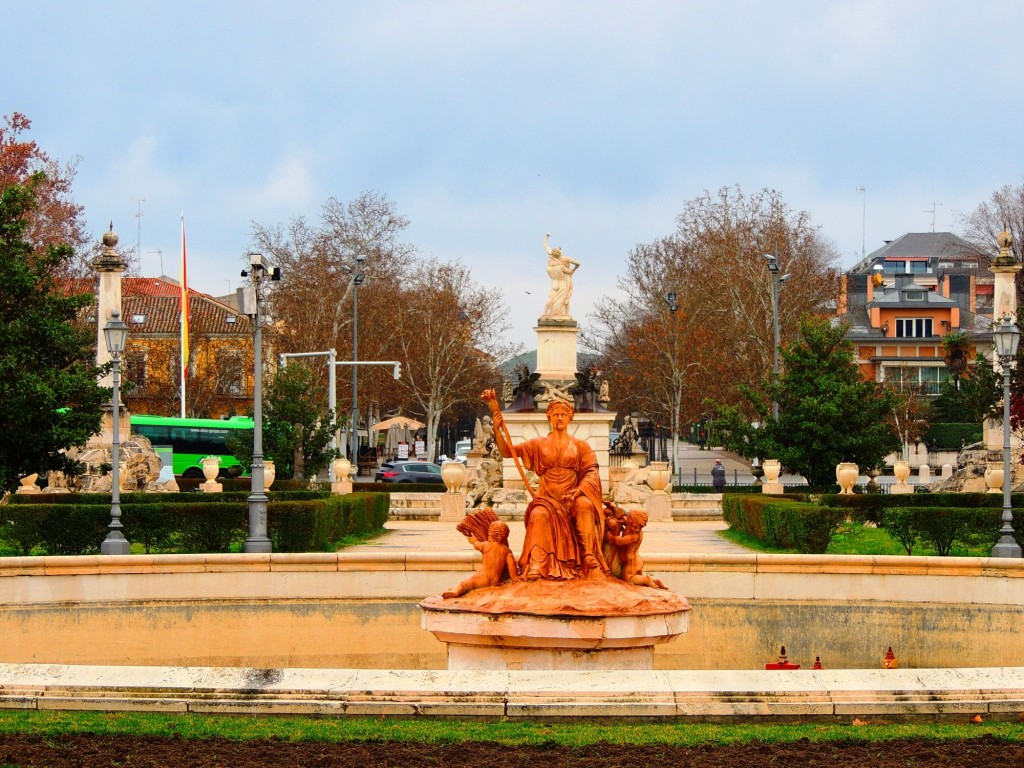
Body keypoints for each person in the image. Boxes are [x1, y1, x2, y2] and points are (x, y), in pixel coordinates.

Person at [482, 388, 609, 581]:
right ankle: (538, 564)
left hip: (572, 497)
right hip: (546, 499)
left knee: (585, 506)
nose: (559, 418)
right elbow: (509, 452)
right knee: (538, 514)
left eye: (563, 414)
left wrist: (578, 491)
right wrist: (497, 431)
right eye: (555, 414)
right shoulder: (538, 444)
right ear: (548, 417)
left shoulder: (581, 445)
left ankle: (588, 559)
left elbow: (592, 471)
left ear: (570, 417)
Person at [442, 520, 519, 598]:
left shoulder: (486, 545)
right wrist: (514, 577)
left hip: (482, 578)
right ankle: (455, 589)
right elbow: (512, 564)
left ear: (490, 533)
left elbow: (476, 545)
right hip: (495, 581)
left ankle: (455, 591)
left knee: (464, 584)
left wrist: (474, 540)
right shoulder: (506, 550)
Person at [609, 509, 667, 590]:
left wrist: (610, 537)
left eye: (638, 527)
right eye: (632, 525)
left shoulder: (635, 536)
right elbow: (625, 518)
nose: (635, 529)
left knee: (628, 579)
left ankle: (646, 580)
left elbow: (620, 541)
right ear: (630, 521)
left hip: (631, 563)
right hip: (631, 562)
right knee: (636, 578)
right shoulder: (630, 526)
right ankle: (655, 581)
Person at [541, 232, 581, 320]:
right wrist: (575, 268)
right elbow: (577, 264)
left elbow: (545, 246)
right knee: (565, 298)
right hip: (564, 280)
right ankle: (566, 314)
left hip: (554, 282)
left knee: (551, 298)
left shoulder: (551, 261)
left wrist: (546, 237)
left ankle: (544, 314)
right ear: (560, 253)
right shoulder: (564, 260)